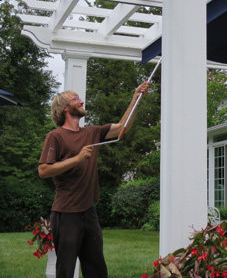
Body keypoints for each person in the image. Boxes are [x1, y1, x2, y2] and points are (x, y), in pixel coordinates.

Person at [39, 82, 150, 278]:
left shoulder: (91, 132)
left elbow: (122, 128)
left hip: (88, 212)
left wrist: (136, 97)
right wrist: (78, 158)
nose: (81, 101)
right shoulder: (55, 136)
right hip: (66, 214)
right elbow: (44, 170)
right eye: (75, 99)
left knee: (97, 269)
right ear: (65, 107)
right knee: (65, 270)